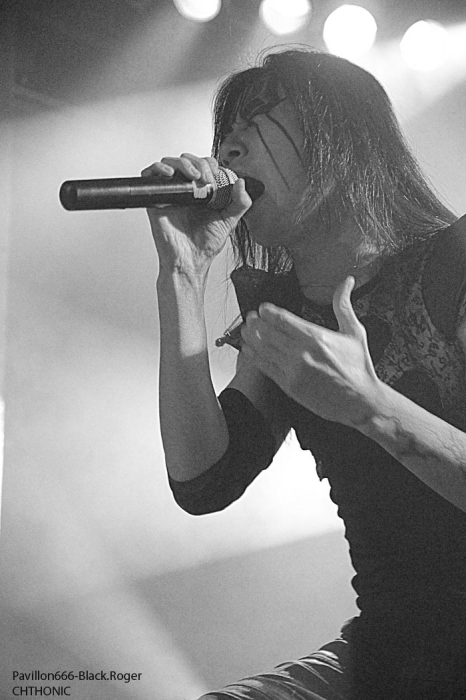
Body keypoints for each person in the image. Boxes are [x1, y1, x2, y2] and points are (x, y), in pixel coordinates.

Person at [142, 48, 466, 699]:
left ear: (339, 138)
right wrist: (182, 272)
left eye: (257, 118)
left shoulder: (454, 264)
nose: (229, 147)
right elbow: (204, 478)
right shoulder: (283, 310)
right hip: (389, 653)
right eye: (225, 132)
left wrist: (373, 406)